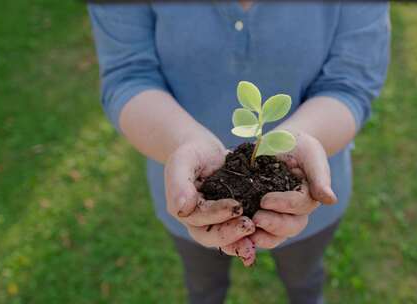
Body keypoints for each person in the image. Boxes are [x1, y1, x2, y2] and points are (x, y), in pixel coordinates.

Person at [88, 1, 390, 303]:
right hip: (190, 193)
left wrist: (301, 138)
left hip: (307, 196)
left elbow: (350, 82)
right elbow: (128, 75)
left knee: (304, 277)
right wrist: (182, 143)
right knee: (204, 285)